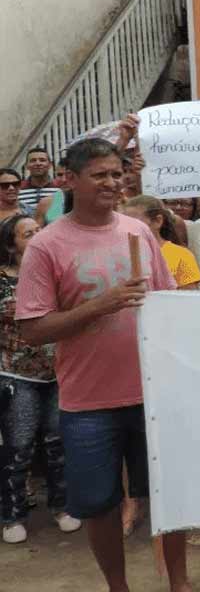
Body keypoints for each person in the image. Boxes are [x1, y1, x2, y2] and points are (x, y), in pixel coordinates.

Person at [14, 137, 190, 591]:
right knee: (99, 503)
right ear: (69, 180)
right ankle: (118, 586)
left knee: (170, 497)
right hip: (88, 403)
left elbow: (168, 305)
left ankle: (180, 582)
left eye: (117, 174)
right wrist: (103, 304)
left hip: (152, 393)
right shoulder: (46, 246)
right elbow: (33, 329)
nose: (112, 183)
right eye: (100, 175)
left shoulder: (139, 233)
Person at [0, 214, 80, 544]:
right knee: (18, 448)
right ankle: (12, 516)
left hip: (58, 372)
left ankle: (62, 508)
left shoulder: (56, 273)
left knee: (58, 445)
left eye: (39, 231)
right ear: (10, 245)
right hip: (16, 375)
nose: (36, 236)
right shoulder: (3, 279)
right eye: (27, 234)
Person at [122, 196, 200, 290]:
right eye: (125, 223)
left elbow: (189, 298)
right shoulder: (120, 254)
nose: (127, 228)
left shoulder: (181, 255)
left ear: (158, 221)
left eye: (135, 223)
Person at [18, 148, 59, 213]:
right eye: (33, 160)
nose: (38, 163)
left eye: (42, 160)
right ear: (26, 166)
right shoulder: (17, 189)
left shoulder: (60, 187)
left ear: (50, 165)